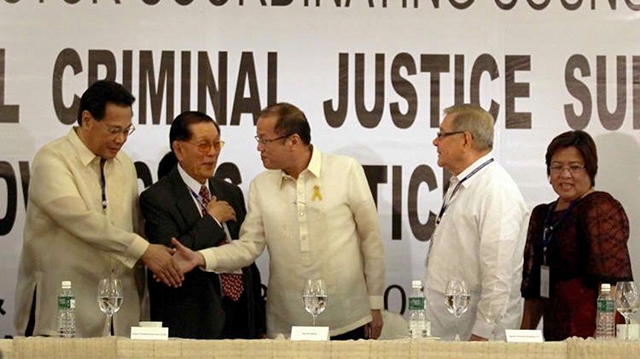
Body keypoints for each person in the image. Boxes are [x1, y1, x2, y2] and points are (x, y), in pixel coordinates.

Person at [171, 102, 386, 339]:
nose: (259, 148)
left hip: (348, 318)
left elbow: (371, 240)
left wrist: (374, 304)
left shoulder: (345, 170)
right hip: (287, 325)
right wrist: (201, 257)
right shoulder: (261, 185)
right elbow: (248, 247)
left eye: (265, 140)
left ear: (293, 141)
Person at [14, 80, 183, 338]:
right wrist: (144, 249)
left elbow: (134, 227)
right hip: (63, 306)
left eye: (127, 131)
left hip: (118, 314)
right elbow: (82, 221)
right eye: (114, 130)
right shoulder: (52, 160)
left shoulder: (124, 164)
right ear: (87, 119)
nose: (121, 139)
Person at [139, 111, 266, 339]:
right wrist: (212, 221)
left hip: (241, 320)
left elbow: (247, 258)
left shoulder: (230, 192)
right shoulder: (157, 198)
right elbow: (173, 260)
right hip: (194, 322)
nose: (213, 153)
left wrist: (258, 322)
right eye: (204, 145)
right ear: (179, 149)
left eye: (217, 144)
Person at [424, 104, 529, 341]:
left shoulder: (496, 190)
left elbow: (498, 274)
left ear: (465, 140)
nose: (435, 142)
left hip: (476, 340)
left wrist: (481, 335)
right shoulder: (462, 183)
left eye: (441, 134)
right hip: (451, 332)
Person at [520, 130, 632, 341]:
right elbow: (534, 289)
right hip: (553, 335)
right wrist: (523, 338)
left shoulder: (599, 207)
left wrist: (602, 341)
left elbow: (611, 283)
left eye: (574, 167)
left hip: (591, 336)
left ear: (590, 169)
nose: (565, 175)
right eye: (557, 167)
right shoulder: (542, 214)